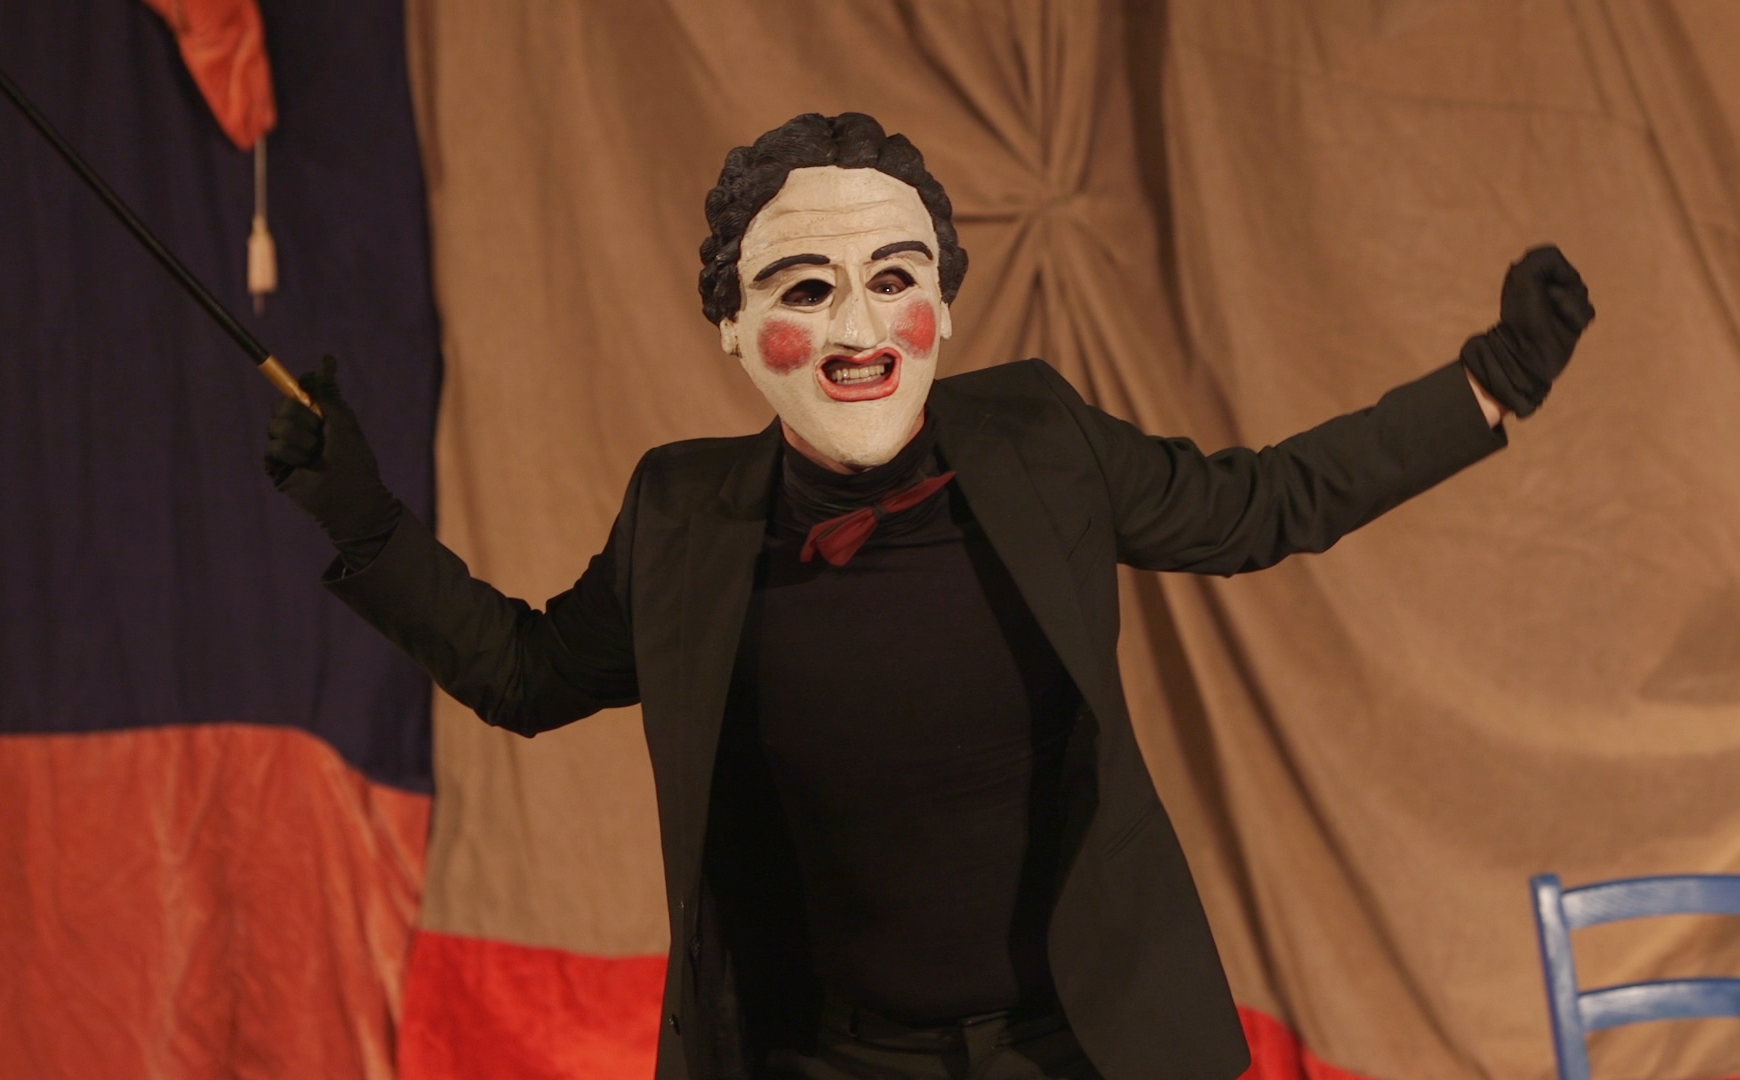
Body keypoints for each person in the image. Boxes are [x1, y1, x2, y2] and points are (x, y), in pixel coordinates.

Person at [264, 113, 1593, 1080]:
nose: (857, 330)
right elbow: (526, 676)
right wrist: (364, 523)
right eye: (806, 290)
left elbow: (1264, 506)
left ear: (945, 309)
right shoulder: (684, 512)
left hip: (1073, 1049)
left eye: (893, 282)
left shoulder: (1041, 440)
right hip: (823, 1055)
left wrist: (1490, 384)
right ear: (731, 326)